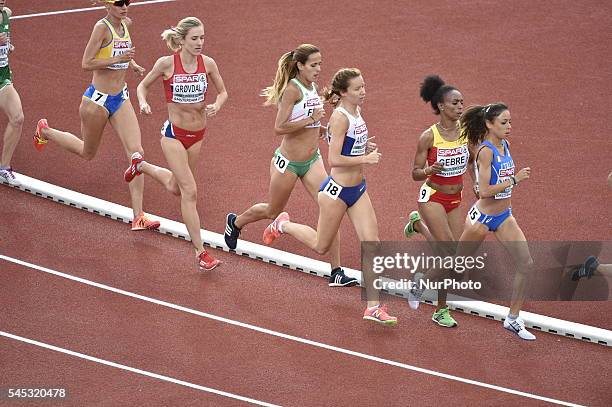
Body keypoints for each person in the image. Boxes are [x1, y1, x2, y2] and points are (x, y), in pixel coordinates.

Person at [261, 68, 397, 325]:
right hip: (336, 193)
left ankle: (373, 307)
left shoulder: (356, 111)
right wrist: (365, 158)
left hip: (357, 190)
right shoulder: (340, 117)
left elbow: (346, 145)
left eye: (364, 86)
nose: (363, 92)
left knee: (372, 242)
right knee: (321, 246)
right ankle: (283, 224)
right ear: (344, 92)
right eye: (358, 89)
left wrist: (363, 147)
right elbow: (334, 159)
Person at [223, 44, 357, 287]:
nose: (319, 69)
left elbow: (309, 126)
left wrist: (324, 130)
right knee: (272, 210)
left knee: (332, 208)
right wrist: (311, 119)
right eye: (314, 65)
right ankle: (236, 222)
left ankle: (336, 271)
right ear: (300, 65)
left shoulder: (312, 87)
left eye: (320, 64)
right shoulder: (292, 91)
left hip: (312, 161)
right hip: (288, 163)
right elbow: (279, 127)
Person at [33, 0, 159, 231]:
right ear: (108, 6)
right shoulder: (101, 28)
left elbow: (120, 52)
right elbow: (86, 62)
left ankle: (138, 216)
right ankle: (45, 131)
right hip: (96, 102)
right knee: (87, 152)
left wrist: (131, 64)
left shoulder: (126, 23)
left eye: (127, 2)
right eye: (119, 3)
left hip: (120, 98)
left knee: (137, 154)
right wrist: (118, 60)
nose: (124, 7)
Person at [124, 17, 226, 270]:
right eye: (195, 38)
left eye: (202, 38)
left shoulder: (208, 64)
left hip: (198, 135)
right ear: (181, 40)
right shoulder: (167, 64)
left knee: (175, 186)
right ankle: (201, 253)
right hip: (173, 135)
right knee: (190, 190)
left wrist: (218, 104)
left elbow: (224, 92)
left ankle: (141, 165)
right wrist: (144, 103)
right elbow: (142, 86)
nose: (200, 43)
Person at [455, 102, 536, 340]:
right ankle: (421, 280)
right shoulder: (486, 150)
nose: (509, 127)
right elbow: (485, 192)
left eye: (510, 122)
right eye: (504, 122)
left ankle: (512, 319)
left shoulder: (505, 145)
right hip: (481, 217)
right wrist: (515, 180)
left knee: (526, 264)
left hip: (503, 216)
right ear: (489, 124)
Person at [404, 75, 475, 328]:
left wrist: (476, 182)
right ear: (441, 106)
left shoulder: (467, 132)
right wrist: (430, 170)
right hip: (432, 197)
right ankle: (420, 283)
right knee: (451, 254)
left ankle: (440, 310)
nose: (460, 107)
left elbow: (472, 161)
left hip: (455, 198)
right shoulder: (428, 137)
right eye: (455, 103)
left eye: (462, 103)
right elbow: (414, 173)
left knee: (453, 260)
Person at [0, 0, 24, 186]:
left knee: (17, 118)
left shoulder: (6, 13)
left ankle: (3, 168)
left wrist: (9, 45)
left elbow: (6, 39)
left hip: (2, 77)